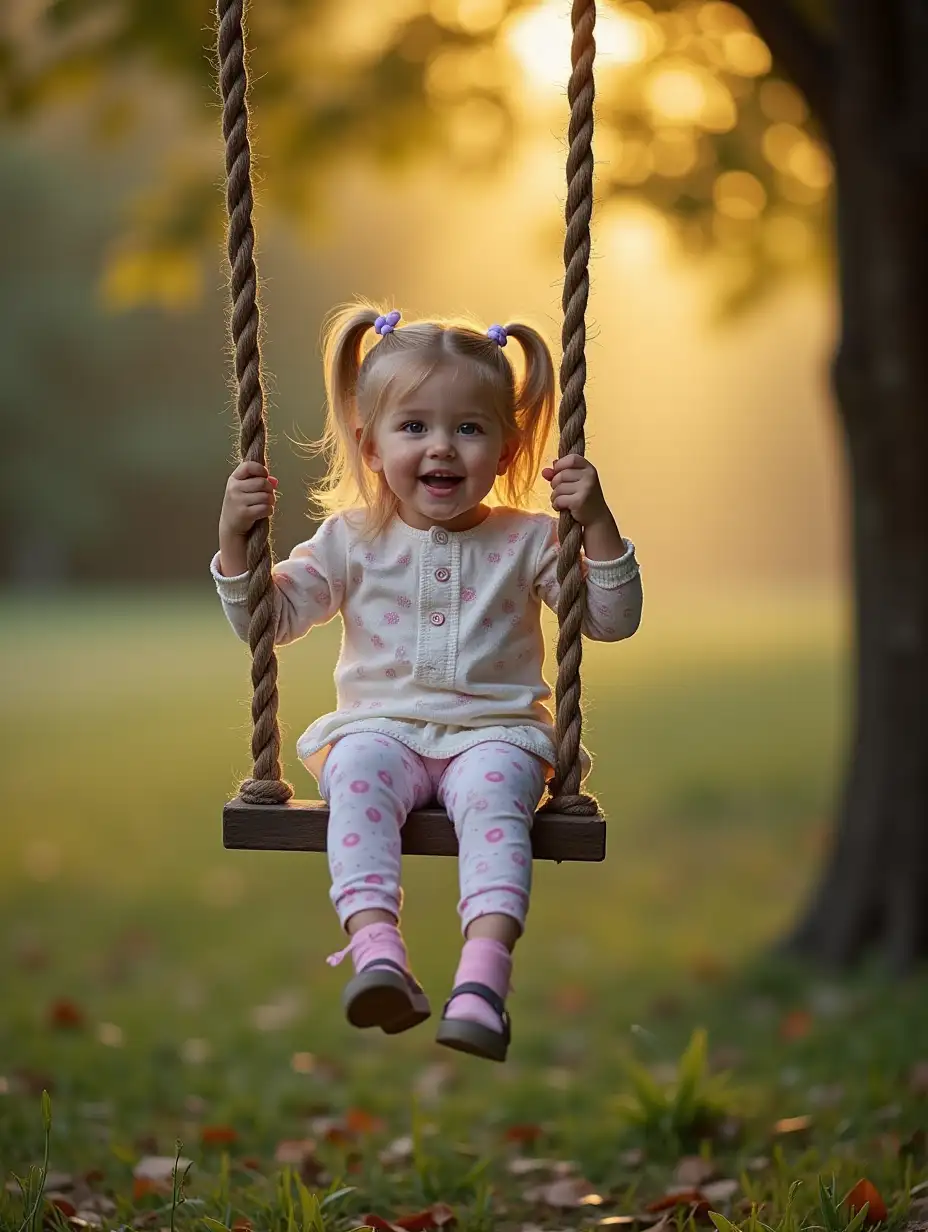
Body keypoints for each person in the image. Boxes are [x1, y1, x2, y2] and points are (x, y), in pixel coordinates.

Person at [210, 304, 642, 1062]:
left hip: (494, 735)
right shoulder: (351, 540)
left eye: (469, 428)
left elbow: (609, 619)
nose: (442, 446)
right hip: (381, 731)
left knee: (494, 806)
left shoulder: (531, 539)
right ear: (370, 444)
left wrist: (597, 523)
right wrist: (233, 544)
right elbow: (268, 619)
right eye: (414, 426)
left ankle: (482, 981)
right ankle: (379, 955)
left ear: (507, 450)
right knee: (356, 774)